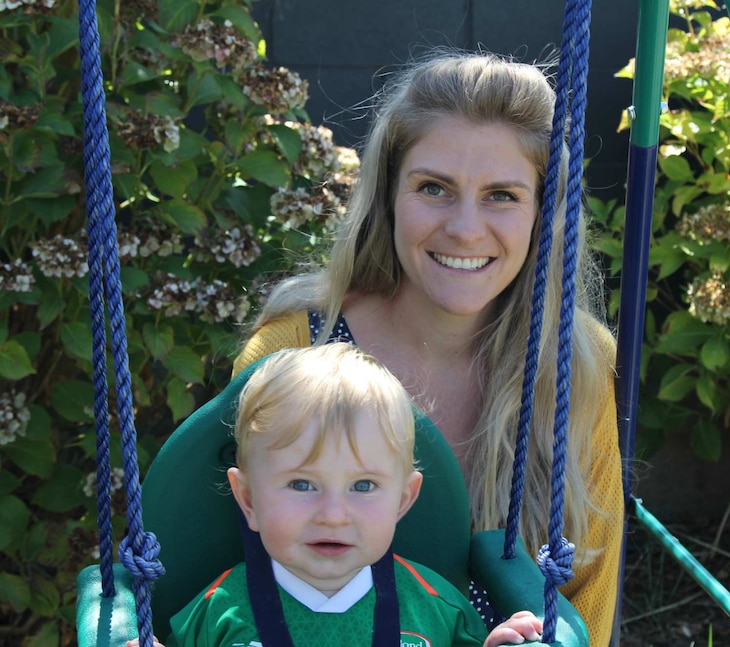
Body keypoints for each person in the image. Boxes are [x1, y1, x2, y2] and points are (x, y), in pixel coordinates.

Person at [234, 51, 624, 646]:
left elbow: (587, 599)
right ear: (388, 195)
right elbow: (217, 576)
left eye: (502, 195)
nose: (466, 228)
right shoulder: (294, 349)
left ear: (544, 214)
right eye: (434, 188)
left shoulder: (574, 364)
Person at [129, 344, 543, 647]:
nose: (332, 514)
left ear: (403, 500)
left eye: (363, 486)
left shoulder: (435, 606)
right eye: (301, 484)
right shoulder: (219, 610)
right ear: (249, 500)